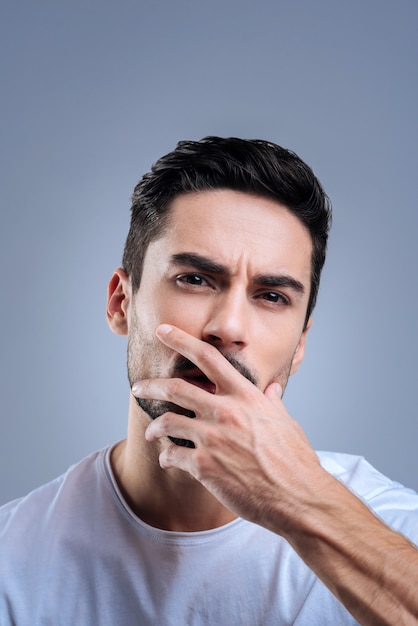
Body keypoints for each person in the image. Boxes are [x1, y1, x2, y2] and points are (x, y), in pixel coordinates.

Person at [1, 137, 417, 626]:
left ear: (300, 344)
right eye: (196, 279)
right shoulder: (13, 560)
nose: (229, 328)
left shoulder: (394, 528)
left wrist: (301, 501)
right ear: (121, 303)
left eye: (272, 296)